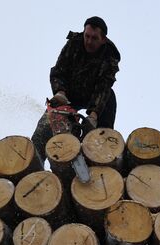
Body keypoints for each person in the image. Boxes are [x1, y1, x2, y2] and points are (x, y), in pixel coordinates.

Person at [32, 16, 121, 163]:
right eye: (87, 36)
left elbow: (104, 87)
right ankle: (35, 161)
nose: (89, 41)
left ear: (103, 39)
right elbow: (58, 71)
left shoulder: (110, 56)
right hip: (69, 93)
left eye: (94, 38)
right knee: (45, 126)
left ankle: (102, 157)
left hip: (95, 96)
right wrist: (60, 92)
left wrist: (94, 115)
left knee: (109, 102)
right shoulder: (73, 43)